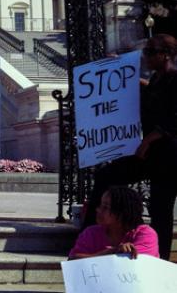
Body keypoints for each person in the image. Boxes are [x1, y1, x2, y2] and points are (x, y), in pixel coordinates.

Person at [81, 34, 177, 260]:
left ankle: (158, 260)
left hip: (170, 155)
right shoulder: (157, 78)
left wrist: (149, 139)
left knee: (161, 207)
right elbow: (149, 91)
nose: (146, 56)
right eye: (146, 51)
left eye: (151, 52)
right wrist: (118, 69)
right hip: (151, 153)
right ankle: (87, 236)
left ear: (166, 55)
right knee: (107, 175)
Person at [69, 186, 159, 259]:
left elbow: (136, 262)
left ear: (122, 213)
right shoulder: (90, 233)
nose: (98, 210)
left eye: (105, 207)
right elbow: (72, 261)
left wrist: (116, 253)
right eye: (100, 205)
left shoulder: (145, 234)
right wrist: (111, 252)